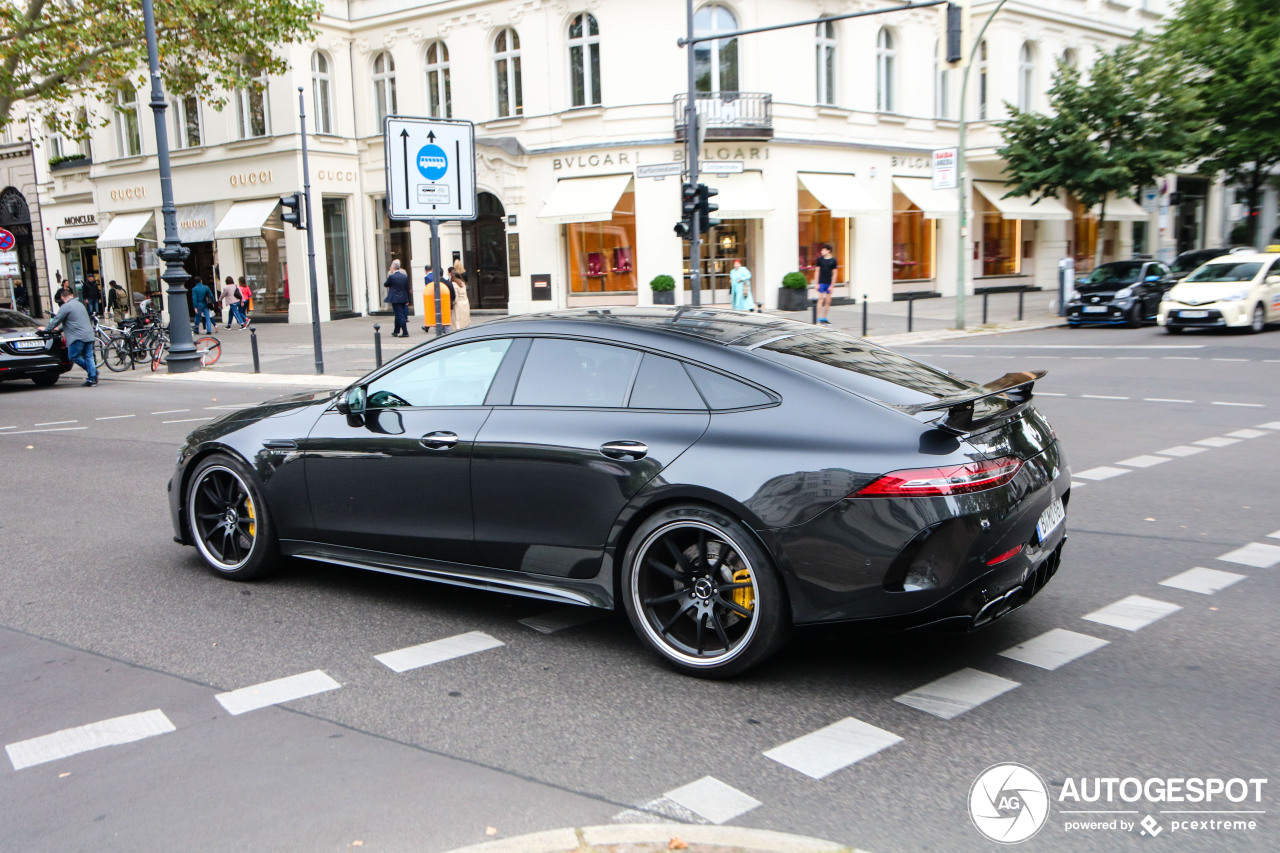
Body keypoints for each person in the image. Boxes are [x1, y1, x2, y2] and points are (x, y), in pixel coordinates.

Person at [39, 287, 97, 386]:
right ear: (71, 295)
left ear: (62, 297)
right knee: (88, 356)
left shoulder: (66, 307)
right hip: (89, 334)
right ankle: (92, 378)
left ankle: (92, 373)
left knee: (73, 356)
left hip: (77, 336)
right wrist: (60, 329)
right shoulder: (80, 304)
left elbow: (57, 320)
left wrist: (46, 329)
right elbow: (74, 321)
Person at [383, 259, 412, 336]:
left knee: (399, 315)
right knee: (398, 315)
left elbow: (386, 284)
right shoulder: (404, 276)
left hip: (395, 299)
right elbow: (407, 288)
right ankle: (396, 331)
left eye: (391, 268)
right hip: (403, 298)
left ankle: (405, 332)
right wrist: (408, 299)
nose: (390, 269)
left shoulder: (391, 277)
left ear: (393, 268)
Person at [814, 243, 838, 324]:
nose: (821, 251)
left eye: (823, 250)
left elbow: (835, 273)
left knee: (828, 301)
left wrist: (832, 285)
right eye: (821, 250)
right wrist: (816, 283)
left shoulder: (833, 260)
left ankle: (825, 318)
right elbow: (817, 271)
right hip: (821, 282)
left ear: (828, 250)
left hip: (829, 283)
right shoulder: (820, 260)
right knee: (821, 299)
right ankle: (819, 318)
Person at [450, 264, 471, 330]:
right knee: (464, 319)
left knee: (457, 320)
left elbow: (456, 296)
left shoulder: (454, 284)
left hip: (458, 303)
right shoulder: (462, 283)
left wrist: (453, 303)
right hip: (465, 302)